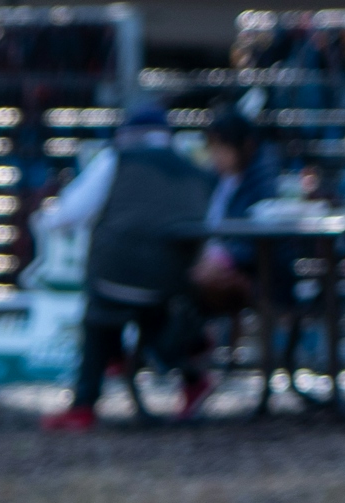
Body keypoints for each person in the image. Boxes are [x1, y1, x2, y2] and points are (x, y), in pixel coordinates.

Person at [39, 101, 220, 430]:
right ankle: (191, 379)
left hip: (113, 276)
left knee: (101, 311)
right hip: (172, 283)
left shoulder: (116, 160)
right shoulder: (196, 172)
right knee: (154, 305)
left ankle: (84, 403)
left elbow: (65, 215)